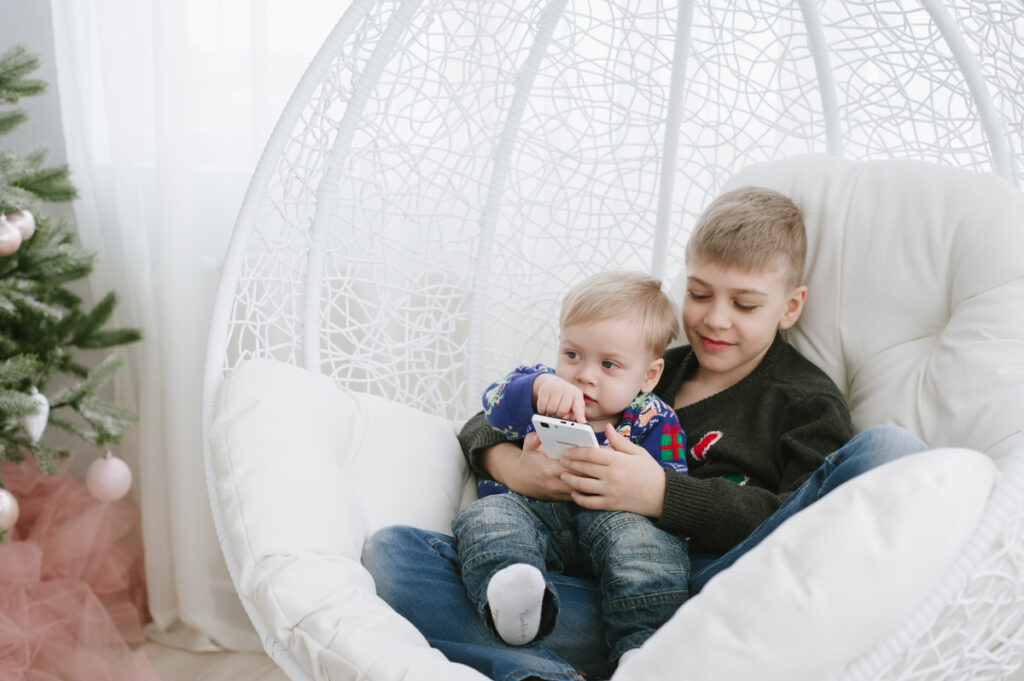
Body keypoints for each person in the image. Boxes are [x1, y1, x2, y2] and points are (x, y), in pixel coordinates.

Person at [361, 186, 928, 681]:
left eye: (745, 304)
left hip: (715, 590)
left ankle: (625, 653)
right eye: (700, 294)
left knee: (893, 452)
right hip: (594, 592)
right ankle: (569, 665)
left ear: (790, 307)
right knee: (394, 555)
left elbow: (803, 520)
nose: (715, 320)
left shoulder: (803, 400)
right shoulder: (642, 363)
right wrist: (514, 469)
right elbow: (487, 421)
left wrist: (658, 494)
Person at [454, 271, 689, 669]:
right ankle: (519, 603)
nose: (584, 374)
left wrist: (646, 482)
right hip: (536, 516)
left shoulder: (654, 419)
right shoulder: (541, 389)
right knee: (487, 517)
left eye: (609, 364)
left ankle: (643, 651)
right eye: (573, 355)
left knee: (648, 548)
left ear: (648, 376)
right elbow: (492, 408)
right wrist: (533, 389)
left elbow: (673, 487)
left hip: (616, 525)